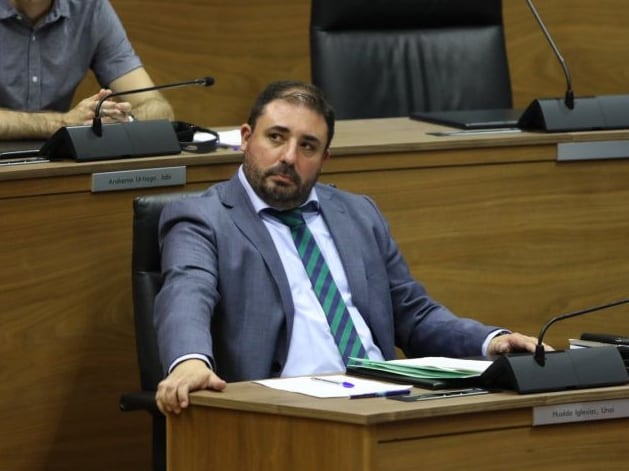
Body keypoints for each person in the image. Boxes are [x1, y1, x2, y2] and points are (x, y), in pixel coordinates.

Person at [154, 80, 548, 415]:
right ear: (245, 138)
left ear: (325, 158)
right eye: (276, 137)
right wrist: (189, 361)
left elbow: (412, 313)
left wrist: (490, 340)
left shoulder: (358, 213)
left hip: (385, 401)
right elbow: (187, 292)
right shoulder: (203, 217)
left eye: (308, 147)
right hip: (285, 407)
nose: (288, 157)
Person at [0, 0, 174, 140]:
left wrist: (120, 121)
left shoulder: (90, 8)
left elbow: (158, 109)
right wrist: (61, 123)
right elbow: (67, 123)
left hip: (56, 161)